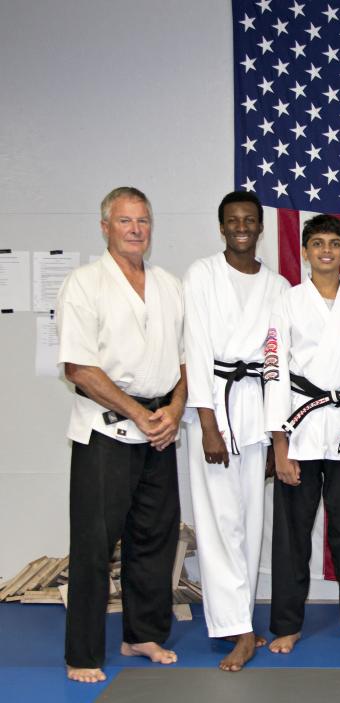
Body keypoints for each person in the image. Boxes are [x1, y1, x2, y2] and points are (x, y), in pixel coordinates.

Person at [56, 187, 186, 683]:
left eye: (144, 221)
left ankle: (141, 634)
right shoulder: (85, 283)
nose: (136, 229)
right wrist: (136, 411)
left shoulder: (168, 285)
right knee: (93, 543)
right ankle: (84, 653)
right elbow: (78, 367)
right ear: (105, 226)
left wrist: (173, 409)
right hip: (105, 430)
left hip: (159, 430)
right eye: (126, 220)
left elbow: (184, 360)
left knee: (154, 538)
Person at [264, 214, 340, 653]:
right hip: (299, 422)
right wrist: (280, 444)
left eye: (335, 243)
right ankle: (286, 625)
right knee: (292, 534)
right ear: (305, 251)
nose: (327, 251)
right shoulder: (288, 301)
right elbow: (275, 371)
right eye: (317, 243)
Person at [183, 191, 289, 671]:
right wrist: (208, 425)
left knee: (250, 521)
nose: (241, 227)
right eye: (232, 220)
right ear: (221, 226)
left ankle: (241, 618)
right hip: (216, 409)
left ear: (260, 227)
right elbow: (196, 350)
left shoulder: (278, 285)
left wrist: (276, 433)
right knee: (220, 520)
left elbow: (279, 364)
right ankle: (238, 631)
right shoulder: (202, 275)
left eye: (249, 220)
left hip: (257, 410)